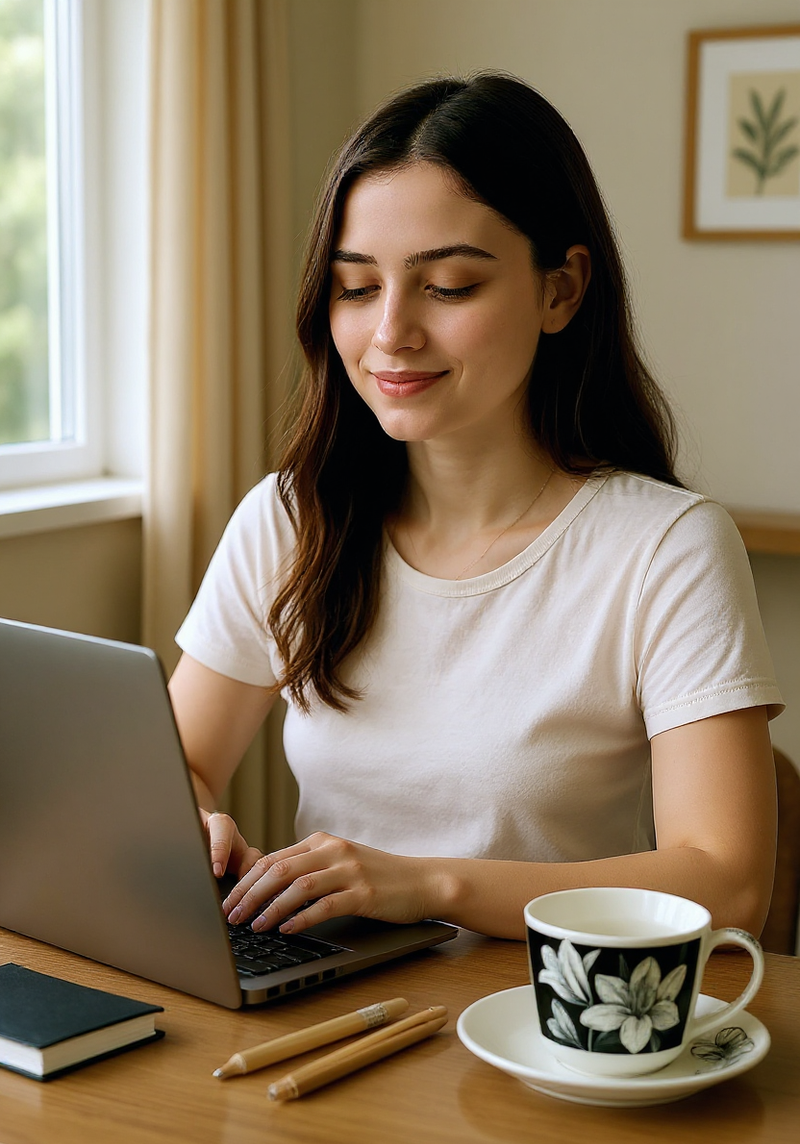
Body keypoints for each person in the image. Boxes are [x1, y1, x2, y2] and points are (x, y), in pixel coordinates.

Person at [168, 72, 783, 943]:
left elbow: (726, 883)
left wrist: (429, 885)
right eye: (356, 286)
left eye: (448, 286)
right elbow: (182, 763)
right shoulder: (292, 520)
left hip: (554, 1028)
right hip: (337, 1012)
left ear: (562, 290)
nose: (391, 333)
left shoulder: (664, 548)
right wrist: (191, 824)